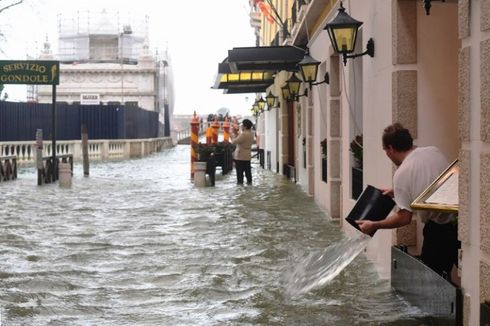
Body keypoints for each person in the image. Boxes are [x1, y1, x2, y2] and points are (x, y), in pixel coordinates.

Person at [356, 123, 460, 279]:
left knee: (432, 282)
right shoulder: (433, 151)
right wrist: (397, 193)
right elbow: (432, 183)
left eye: (385, 150)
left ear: (390, 148)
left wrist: (374, 225)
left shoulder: (402, 173)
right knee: (469, 275)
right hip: (461, 223)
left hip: (439, 231)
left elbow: (404, 218)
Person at [231, 119, 254, 185]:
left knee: (240, 176)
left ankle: (240, 189)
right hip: (247, 156)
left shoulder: (244, 134)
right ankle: (249, 186)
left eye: (242, 125)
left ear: (245, 126)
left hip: (240, 157)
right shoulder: (251, 134)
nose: (241, 126)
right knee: (248, 174)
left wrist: (232, 135)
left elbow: (234, 142)